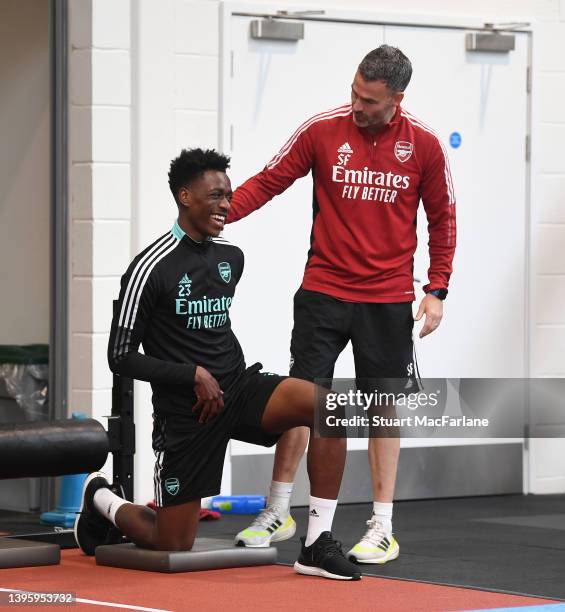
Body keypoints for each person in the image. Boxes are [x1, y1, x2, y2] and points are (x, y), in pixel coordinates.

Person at [73, 148, 361, 581]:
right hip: (187, 414)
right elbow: (120, 356)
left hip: (238, 389)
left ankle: (317, 543)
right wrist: (191, 374)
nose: (226, 205)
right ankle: (101, 499)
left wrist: (219, 373)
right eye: (215, 196)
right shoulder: (149, 268)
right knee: (173, 541)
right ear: (185, 197)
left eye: (228, 195)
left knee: (328, 407)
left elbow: (213, 331)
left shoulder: (232, 257)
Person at [229, 45, 456, 564]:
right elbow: (269, 180)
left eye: (369, 100)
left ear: (396, 98)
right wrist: (219, 216)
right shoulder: (322, 129)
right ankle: (279, 508)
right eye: (354, 92)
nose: (357, 105)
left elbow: (443, 219)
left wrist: (437, 288)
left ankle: (381, 525)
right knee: (303, 398)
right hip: (324, 290)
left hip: (387, 298)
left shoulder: (424, 145)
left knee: (383, 408)